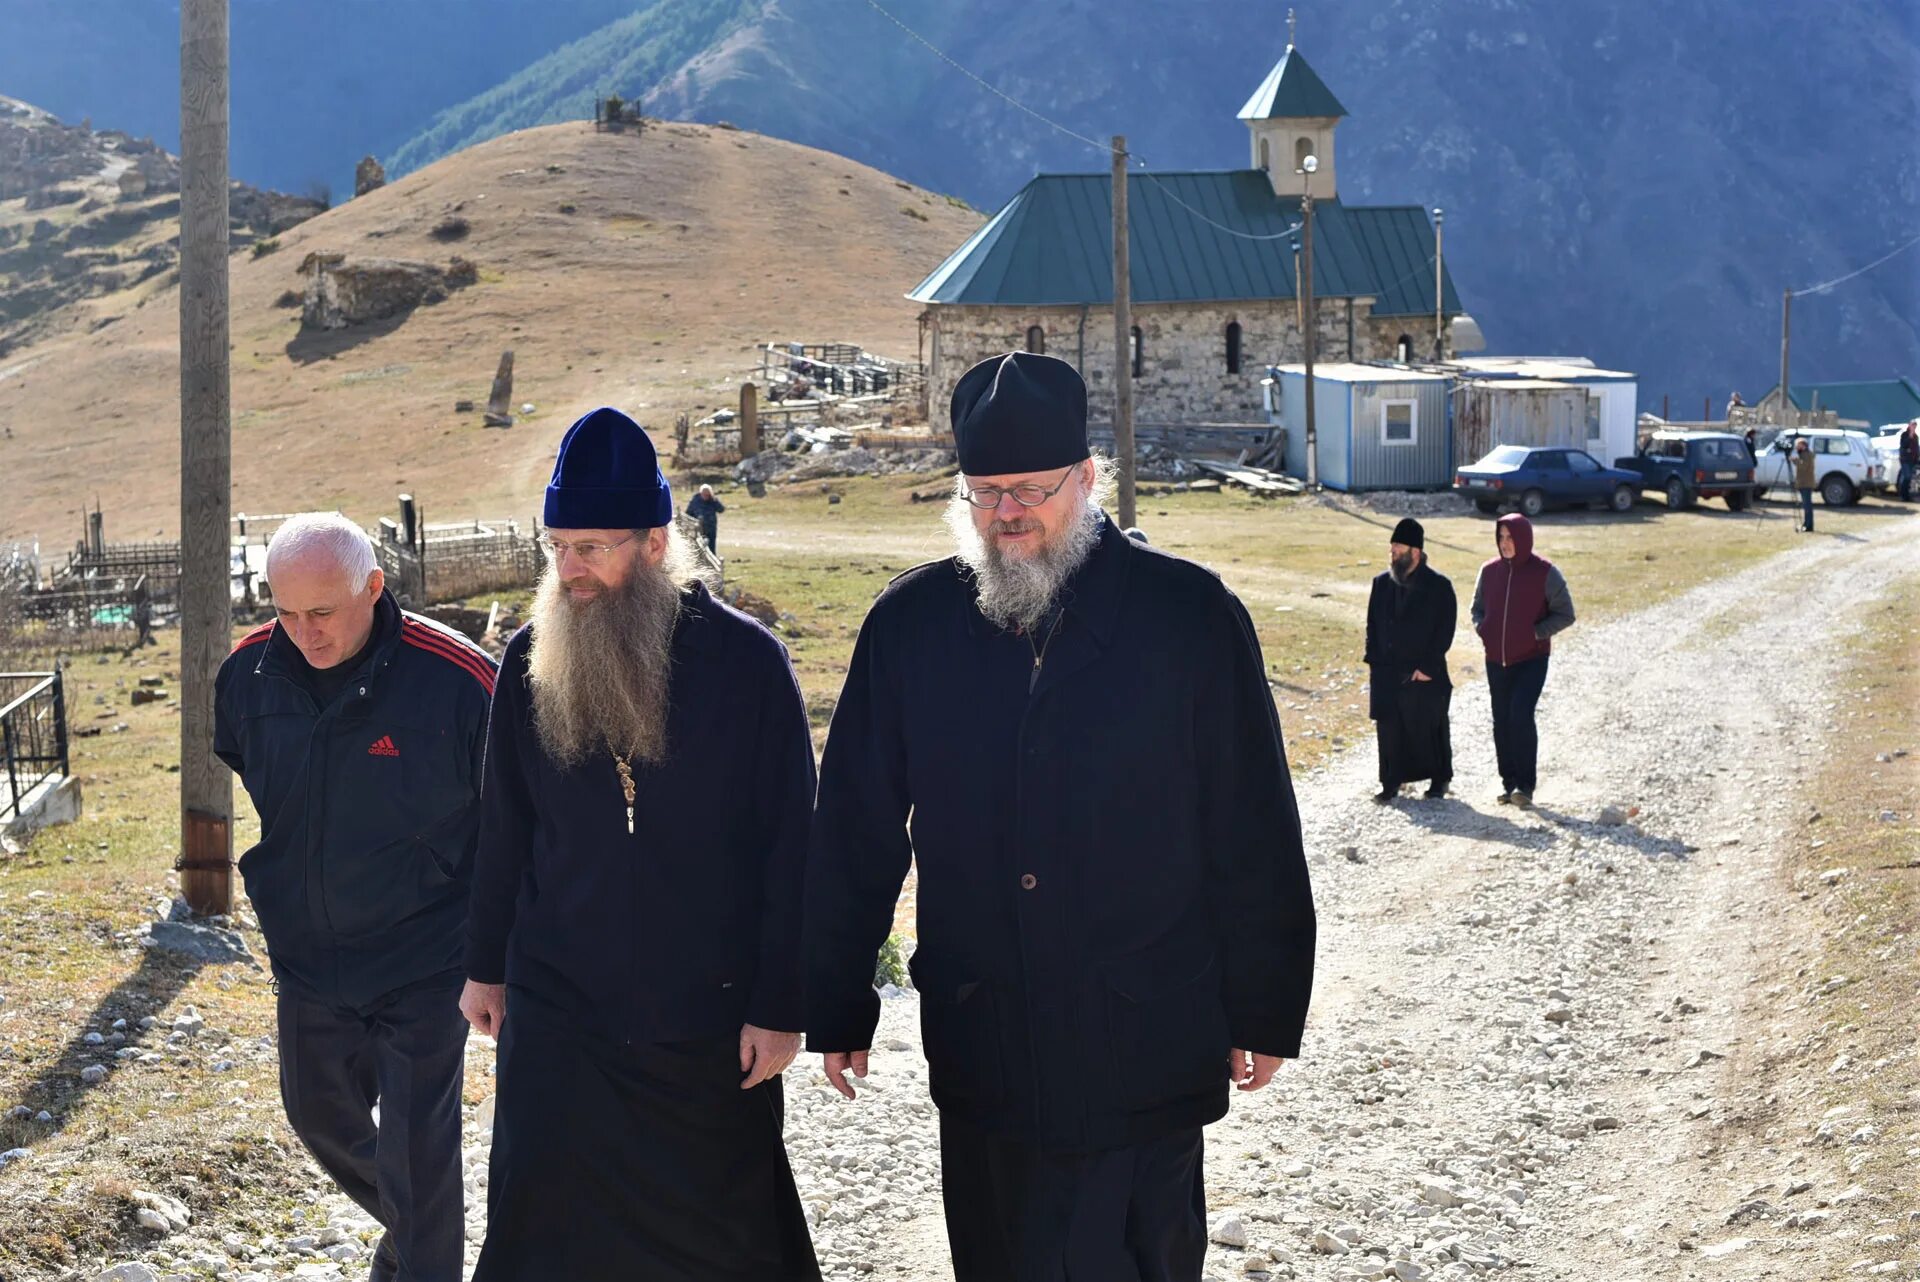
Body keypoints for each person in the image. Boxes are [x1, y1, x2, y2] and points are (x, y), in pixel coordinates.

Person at [804, 351, 1316, 1282]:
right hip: (987, 1039)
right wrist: (836, 996)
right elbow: (854, 830)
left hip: (1144, 1038)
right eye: (985, 491)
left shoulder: (1188, 616)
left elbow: (1251, 824)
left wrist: (1268, 1000)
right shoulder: (912, 627)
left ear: (1086, 478)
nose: (1007, 514)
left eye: (1030, 490)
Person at [463, 407, 820, 1282]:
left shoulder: (748, 667)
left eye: (593, 547)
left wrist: (780, 1006)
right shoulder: (527, 660)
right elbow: (503, 822)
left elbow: (792, 849)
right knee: (542, 1223)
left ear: (656, 543)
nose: (571, 570)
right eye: (558, 547)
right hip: (559, 1003)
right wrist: (484, 966)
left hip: (704, 1008)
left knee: (715, 1237)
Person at [214, 513, 495, 1282]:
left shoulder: (458, 680)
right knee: (319, 1119)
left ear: (373, 587)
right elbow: (250, 765)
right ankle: (417, 1230)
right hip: (310, 956)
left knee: (415, 1149)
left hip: (428, 956)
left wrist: (496, 958)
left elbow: (510, 819)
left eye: (324, 612)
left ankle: (421, 1249)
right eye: (285, 612)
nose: (304, 633)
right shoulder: (247, 676)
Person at [1469, 514, 1575, 808]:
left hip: (1532, 659)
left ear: (1524, 539)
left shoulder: (1545, 573)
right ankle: (1509, 783)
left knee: (1520, 714)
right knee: (1501, 721)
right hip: (1496, 660)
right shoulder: (1489, 571)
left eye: (1510, 537)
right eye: (1501, 537)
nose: (1505, 543)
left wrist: (1536, 633)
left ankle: (1525, 786)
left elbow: (1566, 613)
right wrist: (1484, 629)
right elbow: (1476, 608)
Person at [1364, 518, 1456, 803]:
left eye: (1398, 549)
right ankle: (1390, 783)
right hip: (1387, 671)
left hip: (1423, 672)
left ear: (1415, 552)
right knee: (1390, 729)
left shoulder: (1439, 587)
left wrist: (1426, 668)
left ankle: (1439, 780)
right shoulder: (1381, 584)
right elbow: (1372, 625)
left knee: (1428, 726)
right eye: (1391, 548)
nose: (1392, 554)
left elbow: (1445, 630)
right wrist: (1375, 663)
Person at [687, 482, 726, 554]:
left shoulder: (713, 500)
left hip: (711, 527)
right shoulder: (695, 500)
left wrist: (714, 500)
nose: (706, 496)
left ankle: (712, 563)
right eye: (704, 495)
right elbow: (688, 513)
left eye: (708, 495)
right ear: (701, 493)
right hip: (699, 528)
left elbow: (721, 509)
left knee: (711, 548)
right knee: (699, 547)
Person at [1793, 437, 1817, 531]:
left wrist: (1795, 461)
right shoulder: (1804, 454)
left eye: (1798, 446)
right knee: (1806, 505)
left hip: (1806, 483)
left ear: (1803, 446)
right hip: (1804, 482)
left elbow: (1803, 466)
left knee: (1807, 505)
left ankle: (1809, 525)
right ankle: (1806, 523)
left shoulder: (1806, 455)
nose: (1796, 447)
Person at [1897, 421, 1918, 502]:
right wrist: (1910, 436)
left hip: (1912, 460)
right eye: (1913, 425)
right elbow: (1903, 445)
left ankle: (1906, 496)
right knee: (1906, 477)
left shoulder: (1916, 436)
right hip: (1905, 459)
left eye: (1915, 426)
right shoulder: (1904, 435)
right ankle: (1903, 495)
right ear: (1909, 425)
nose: (1914, 427)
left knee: (1909, 479)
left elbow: (1916, 448)